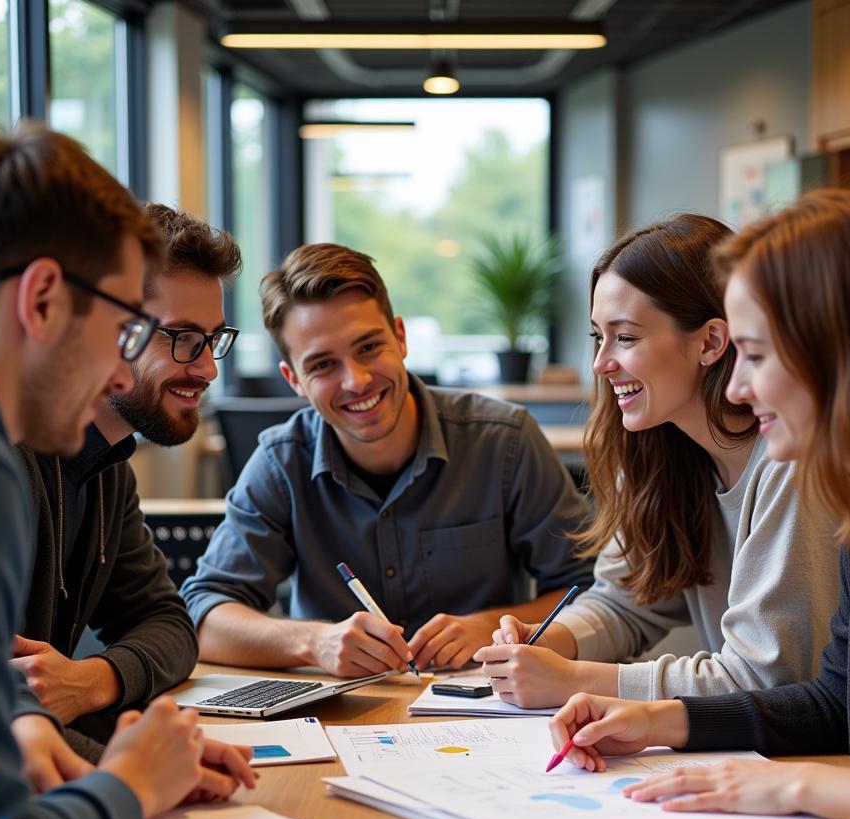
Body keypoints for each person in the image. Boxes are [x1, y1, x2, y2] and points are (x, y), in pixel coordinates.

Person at [0, 124, 253, 819]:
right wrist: (131, 785)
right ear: (42, 298)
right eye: (125, 328)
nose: (124, 364)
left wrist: (30, 730)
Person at [549, 189, 850, 819]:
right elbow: (833, 703)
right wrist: (659, 719)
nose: (737, 387)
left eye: (758, 356)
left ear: (847, 352)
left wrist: (792, 788)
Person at [474, 214, 839, 707]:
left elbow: (767, 676)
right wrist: (546, 640)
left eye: (624, 337)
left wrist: (572, 679)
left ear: (711, 341)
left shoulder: (788, 462)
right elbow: (625, 603)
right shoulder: (661, 447)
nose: (602, 363)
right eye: (596, 338)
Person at [181, 242, 594, 676]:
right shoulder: (282, 462)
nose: (355, 381)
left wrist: (492, 626)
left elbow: (588, 592)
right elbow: (204, 616)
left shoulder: (504, 441)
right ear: (294, 381)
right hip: (342, 719)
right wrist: (315, 642)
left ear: (400, 337)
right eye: (322, 365)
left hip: (489, 710)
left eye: (368, 348)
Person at [12, 203, 242, 765]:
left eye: (214, 339)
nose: (208, 368)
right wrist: (139, 770)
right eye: (183, 337)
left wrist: (96, 679)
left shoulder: (108, 466)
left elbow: (168, 625)